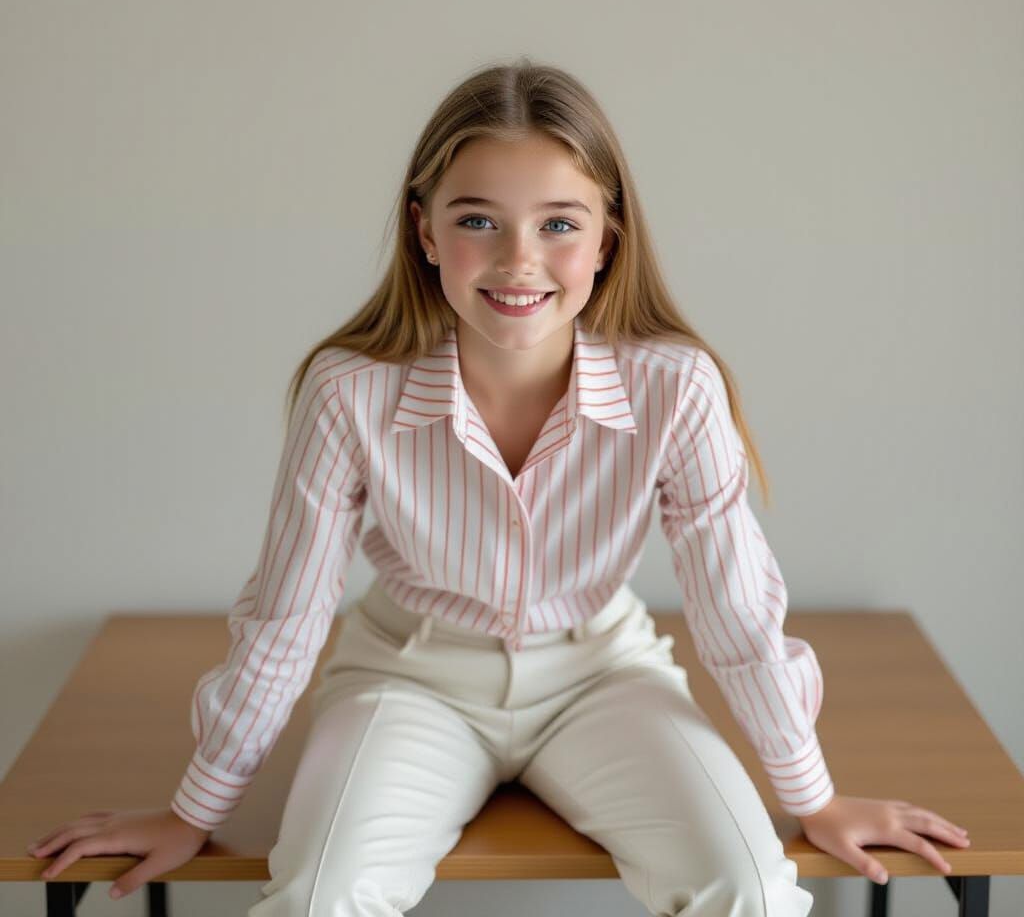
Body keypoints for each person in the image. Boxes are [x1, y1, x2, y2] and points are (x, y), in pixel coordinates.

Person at [26, 59, 970, 915]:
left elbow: (733, 606)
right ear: (425, 231)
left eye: (559, 223)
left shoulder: (674, 388)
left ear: (606, 239)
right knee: (319, 895)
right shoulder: (349, 391)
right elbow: (287, 615)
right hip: (407, 680)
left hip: (604, 673)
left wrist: (812, 794)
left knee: (754, 889)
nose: (520, 260)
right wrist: (196, 809)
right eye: (478, 219)